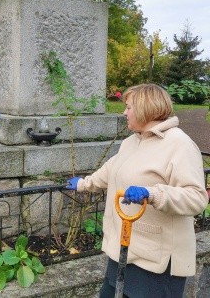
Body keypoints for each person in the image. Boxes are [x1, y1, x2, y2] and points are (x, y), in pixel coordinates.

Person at [66, 83, 208, 297]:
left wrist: (152, 194)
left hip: (155, 262)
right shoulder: (132, 142)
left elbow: (196, 198)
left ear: (145, 108)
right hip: (123, 250)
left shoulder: (179, 144)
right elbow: (111, 170)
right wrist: (84, 184)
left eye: (129, 107)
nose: (124, 112)